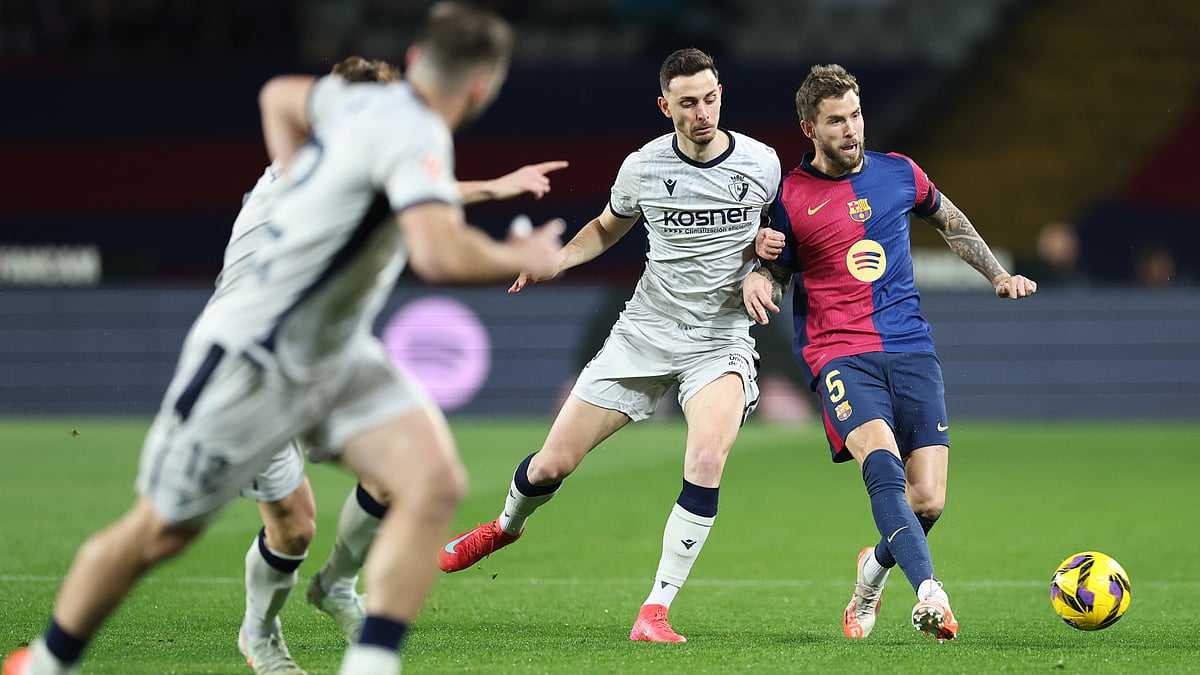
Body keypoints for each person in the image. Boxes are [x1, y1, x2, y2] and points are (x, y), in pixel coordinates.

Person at [3, 4, 563, 675]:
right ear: (482, 88)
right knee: (159, 532)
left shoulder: (354, 109)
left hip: (336, 355)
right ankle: (45, 663)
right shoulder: (415, 132)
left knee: (432, 480)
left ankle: (368, 655)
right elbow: (438, 253)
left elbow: (278, 95)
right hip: (255, 359)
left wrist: (299, 170)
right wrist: (522, 255)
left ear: (415, 60)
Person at [228, 54, 567, 674]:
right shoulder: (304, 175)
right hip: (253, 363)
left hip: (328, 358)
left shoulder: (361, 169)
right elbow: (427, 230)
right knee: (290, 528)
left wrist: (494, 187)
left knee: (400, 476)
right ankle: (259, 630)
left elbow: (409, 188)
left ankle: (335, 586)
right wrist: (507, 251)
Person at [437, 47, 781, 643]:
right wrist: (556, 261)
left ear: (721, 95)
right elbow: (605, 228)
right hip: (643, 333)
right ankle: (505, 526)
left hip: (719, 340)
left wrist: (764, 272)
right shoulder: (643, 167)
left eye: (709, 99)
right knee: (551, 465)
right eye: (687, 103)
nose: (702, 113)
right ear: (665, 106)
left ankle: (655, 610)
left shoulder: (763, 163)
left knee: (705, 460)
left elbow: (787, 242)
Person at [743, 63, 1037, 644]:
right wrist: (760, 277)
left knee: (926, 501)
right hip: (838, 353)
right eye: (836, 121)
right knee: (881, 464)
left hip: (910, 348)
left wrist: (998, 275)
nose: (851, 129)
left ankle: (872, 571)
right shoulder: (790, 197)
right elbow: (776, 269)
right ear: (810, 129)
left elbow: (951, 221)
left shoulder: (900, 172)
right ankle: (931, 594)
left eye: (855, 115)